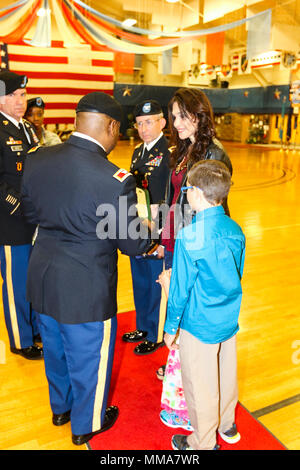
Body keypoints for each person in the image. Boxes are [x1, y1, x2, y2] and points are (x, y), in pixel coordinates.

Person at [21, 91, 150, 445]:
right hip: (85, 283)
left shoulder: (37, 158)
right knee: (89, 356)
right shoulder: (114, 178)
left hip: (43, 273)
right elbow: (129, 242)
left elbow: (32, 214)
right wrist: (149, 236)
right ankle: (87, 424)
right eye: (119, 131)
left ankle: (60, 408)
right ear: (110, 126)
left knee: (55, 347)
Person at [159, 159, 246, 450]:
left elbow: (181, 290)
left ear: (196, 193)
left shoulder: (190, 236)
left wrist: (171, 328)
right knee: (226, 374)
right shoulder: (236, 229)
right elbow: (237, 273)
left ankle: (202, 442)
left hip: (199, 322)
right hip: (228, 318)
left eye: (188, 189)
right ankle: (226, 425)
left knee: (200, 385)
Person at [156, 87, 233, 380]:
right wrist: (164, 235)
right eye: (173, 116)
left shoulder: (214, 154)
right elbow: (173, 196)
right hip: (177, 236)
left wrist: (189, 244)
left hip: (196, 241)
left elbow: (211, 208)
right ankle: (178, 363)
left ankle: (191, 367)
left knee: (190, 302)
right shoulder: (183, 149)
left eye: (183, 116)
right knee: (176, 300)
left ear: (199, 114)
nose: (177, 123)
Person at [0, 71, 43, 360]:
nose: (20, 100)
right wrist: (15, 204)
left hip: (33, 218)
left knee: (31, 278)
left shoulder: (26, 128)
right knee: (15, 282)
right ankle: (20, 337)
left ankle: (35, 328)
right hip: (11, 219)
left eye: (23, 95)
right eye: (13, 95)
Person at [122, 100, 170, 355]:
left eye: (149, 122)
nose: (143, 128)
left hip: (159, 228)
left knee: (156, 283)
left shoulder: (170, 152)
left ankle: (156, 333)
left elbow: (172, 197)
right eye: (139, 123)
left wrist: (164, 234)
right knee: (140, 281)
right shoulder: (138, 152)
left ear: (162, 122)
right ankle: (143, 326)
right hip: (139, 227)